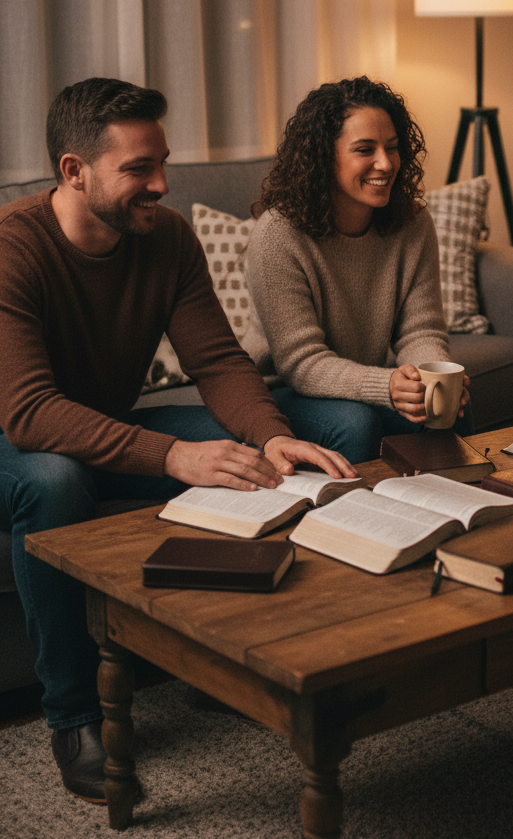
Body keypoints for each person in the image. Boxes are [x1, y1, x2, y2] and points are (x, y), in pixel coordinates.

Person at [0, 78, 355, 803]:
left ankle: (220, 662)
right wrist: (173, 456)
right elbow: (31, 412)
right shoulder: (13, 249)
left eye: (163, 162)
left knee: (309, 439)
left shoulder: (163, 237)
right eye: (139, 169)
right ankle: (73, 716)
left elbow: (219, 363)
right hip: (16, 436)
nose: (162, 184)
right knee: (56, 479)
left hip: (102, 424)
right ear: (74, 171)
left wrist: (273, 436)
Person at [244, 76, 470, 464]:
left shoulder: (411, 222)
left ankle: (441, 517)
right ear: (323, 157)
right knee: (355, 424)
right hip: (279, 391)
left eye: (393, 148)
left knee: (442, 413)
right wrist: (388, 386)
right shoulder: (278, 234)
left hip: (355, 381)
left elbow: (421, 330)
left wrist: (429, 381)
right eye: (365, 149)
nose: (386, 163)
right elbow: (301, 363)